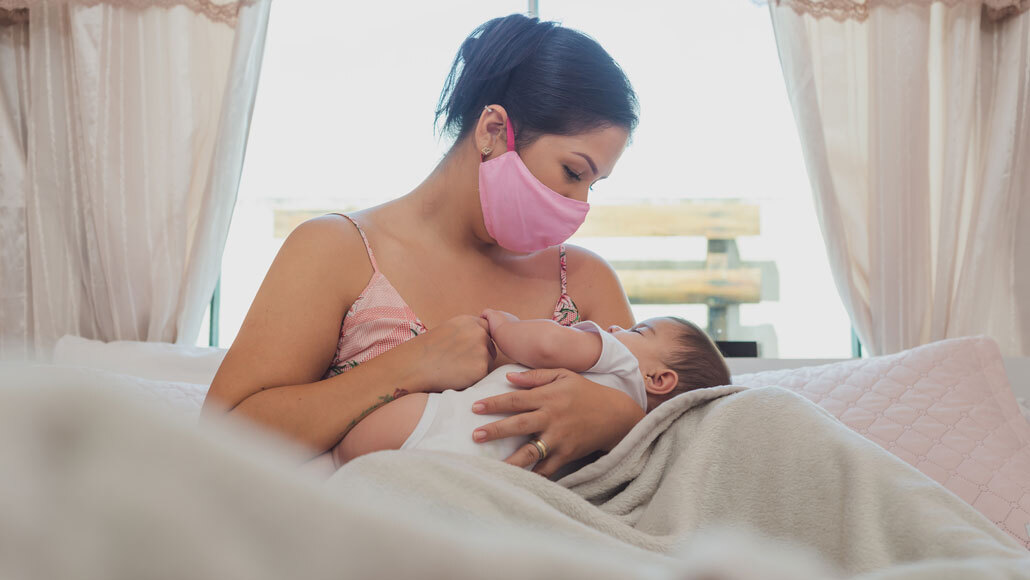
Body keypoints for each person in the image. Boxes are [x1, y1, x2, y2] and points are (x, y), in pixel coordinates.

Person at [201, 13, 644, 478]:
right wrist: (407, 367)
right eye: (574, 173)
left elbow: (665, 433)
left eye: (594, 185)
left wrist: (618, 418)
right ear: (493, 131)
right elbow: (220, 441)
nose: (578, 205)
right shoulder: (335, 252)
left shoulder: (587, 282)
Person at [320, 309, 732, 474]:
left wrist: (505, 325)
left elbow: (548, 344)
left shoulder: (619, 360)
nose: (618, 329)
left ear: (658, 380)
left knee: (338, 463)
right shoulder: (625, 453)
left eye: (639, 330)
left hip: (436, 422)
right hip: (484, 472)